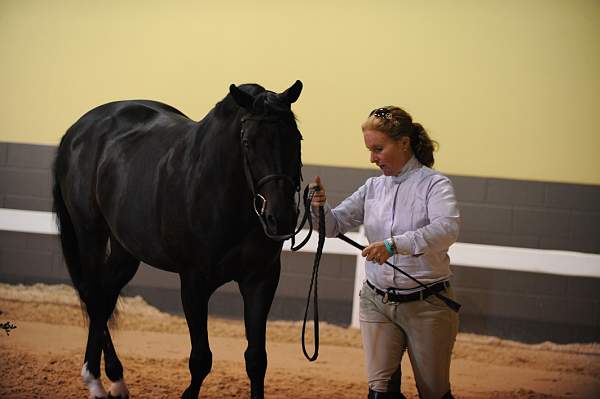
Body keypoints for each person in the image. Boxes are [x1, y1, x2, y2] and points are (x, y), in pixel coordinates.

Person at [310, 106, 460, 399]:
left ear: (404, 143)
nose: (372, 158)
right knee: (379, 392)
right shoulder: (373, 187)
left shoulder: (435, 184)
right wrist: (319, 207)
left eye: (378, 149)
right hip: (377, 302)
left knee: (433, 392)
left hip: (427, 306)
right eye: (369, 150)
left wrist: (393, 245)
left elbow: (447, 229)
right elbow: (333, 225)